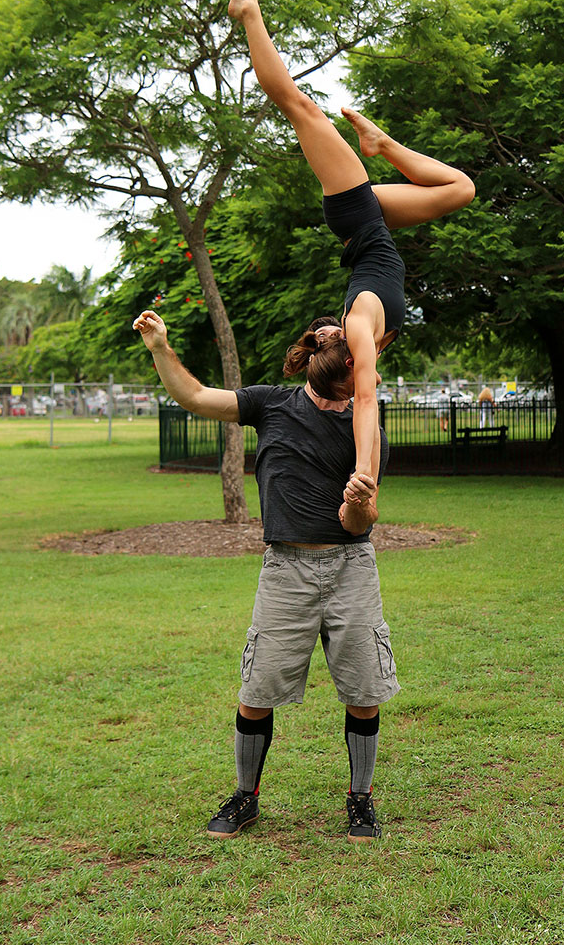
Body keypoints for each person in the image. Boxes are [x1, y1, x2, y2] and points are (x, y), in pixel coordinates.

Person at [133, 308, 397, 843]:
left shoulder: (367, 430)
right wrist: (161, 347)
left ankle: (361, 800)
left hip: (350, 567)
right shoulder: (270, 403)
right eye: (333, 339)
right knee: (256, 690)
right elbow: (196, 398)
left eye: (350, 348)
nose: (342, 349)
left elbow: (357, 524)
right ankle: (245, 797)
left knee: (363, 689)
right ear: (315, 351)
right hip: (286, 569)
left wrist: (359, 504)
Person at [228, 0, 475, 502]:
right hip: (373, 220)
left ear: (350, 367)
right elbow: (360, 392)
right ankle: (381, 145)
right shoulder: (365, 342)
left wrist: (365, 473)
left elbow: (365, 405)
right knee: (460, 190)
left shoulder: (362, 332)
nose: (368, 385)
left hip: (357, 216)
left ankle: (249, 14)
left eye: (355, 381)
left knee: (300, 107)